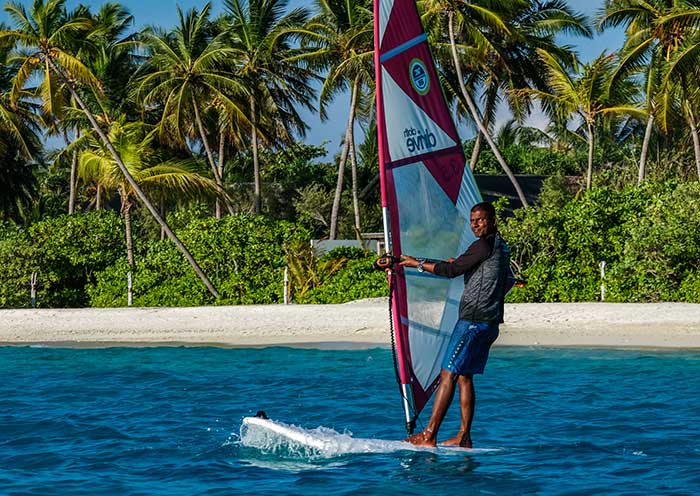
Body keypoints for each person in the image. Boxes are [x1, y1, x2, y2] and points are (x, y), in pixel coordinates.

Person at [399, 201, 510, 448]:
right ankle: (464, 437)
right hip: (489, 323)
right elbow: (465, 267)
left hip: (472, 321)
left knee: (447, 373)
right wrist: (421, 260)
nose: (476, 225)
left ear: (492, 219)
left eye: (481, 220)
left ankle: (429, 435)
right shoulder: (501, 247)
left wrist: (415, 264)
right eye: (472, 221)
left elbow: (451, 271)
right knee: (464, 377)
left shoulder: (482, 245)